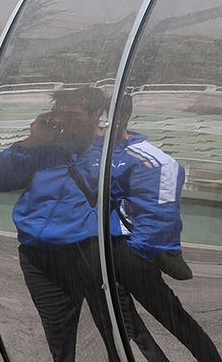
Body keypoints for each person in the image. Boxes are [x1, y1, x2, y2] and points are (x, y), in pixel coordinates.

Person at [0, 87, 165, 361]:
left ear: (96, 114)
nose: (66, 122)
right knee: (60, 341)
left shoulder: (109, 151)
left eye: (74, 115)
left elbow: (138, 190)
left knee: (121, 334)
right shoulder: (44, 149)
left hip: (90, 254)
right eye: (62, 115)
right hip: (39, 256)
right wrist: (32, 141)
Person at [83, 95, 221, 361]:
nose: (96, 126)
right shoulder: (90, 150)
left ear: (120, 118)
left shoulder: (152, 158)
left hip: (130, 251)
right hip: (98, 250)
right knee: (125, 322)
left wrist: (138, 251)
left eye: (101, 118)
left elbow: (162, 212)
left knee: (172, 316)